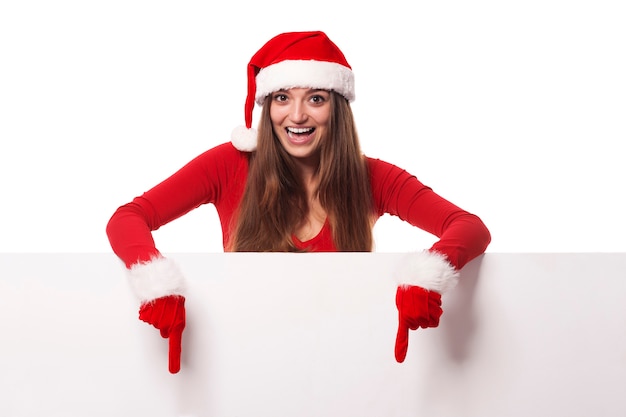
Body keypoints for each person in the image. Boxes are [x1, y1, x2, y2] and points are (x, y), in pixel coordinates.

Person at [106, 31, 491, 374]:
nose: (297, 115)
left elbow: (468, 227)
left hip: (341, 364)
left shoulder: (372, 177)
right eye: (282, 98)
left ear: (336, 108)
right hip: (244, 361)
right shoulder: (228, 164)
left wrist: (427, 279)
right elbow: (129, 218)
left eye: (316, 98)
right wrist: (156, 284)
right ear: (267, 106)